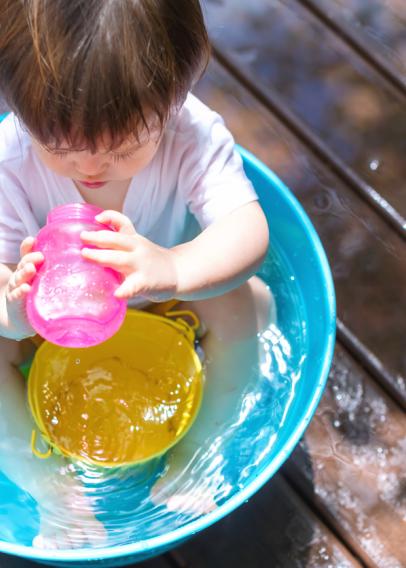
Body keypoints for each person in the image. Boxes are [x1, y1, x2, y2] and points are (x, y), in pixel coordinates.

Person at [0, 0, 273, 549]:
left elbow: (249, 232)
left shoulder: (192, 134)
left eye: (123, 149)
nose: (91, 169)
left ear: (172, 99)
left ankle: (197, 452)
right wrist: (12, 306)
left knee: (250, 303)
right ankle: (53, 494)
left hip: (160, 299)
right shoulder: (11, 160)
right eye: (59, 148)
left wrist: (172, 267)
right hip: (53, 323)